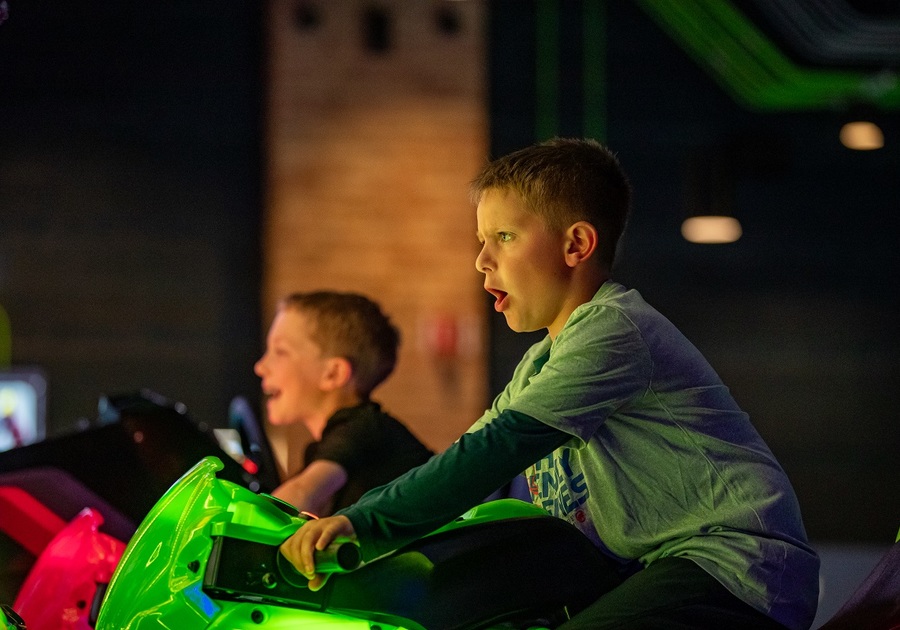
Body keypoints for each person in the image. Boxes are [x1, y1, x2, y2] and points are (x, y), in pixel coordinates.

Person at [280, 139, 820, 629]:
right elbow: (474, 461)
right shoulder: (539, 363)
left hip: (736, 568)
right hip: (659, 570)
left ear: (576, 245)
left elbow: (494, 451)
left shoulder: (614, 329)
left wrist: (363, 523)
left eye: (504, 237)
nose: (481, 260)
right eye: (481, 241)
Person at [254, 291, 433, 516]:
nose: (260, 367)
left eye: (280, 352)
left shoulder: (363, 429)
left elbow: (298, 497)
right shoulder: (332, 443)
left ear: (333, 373)